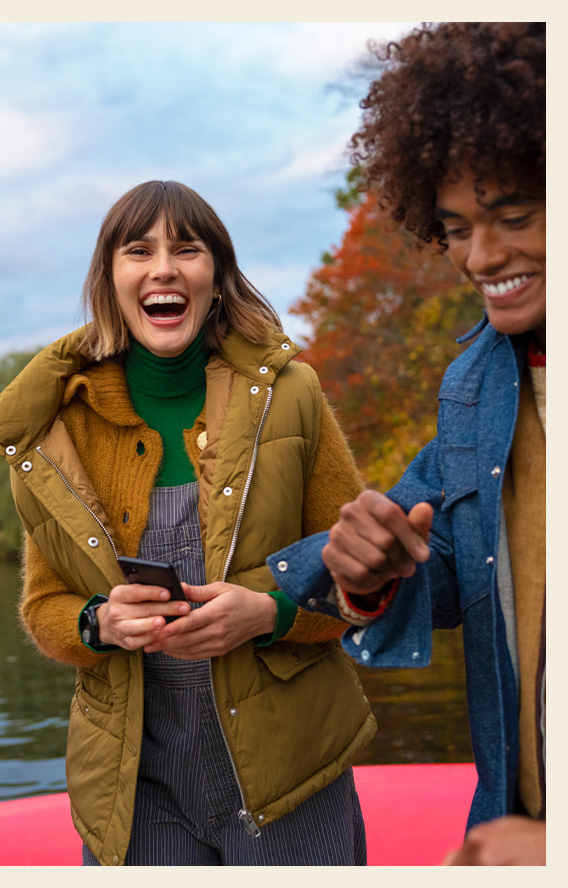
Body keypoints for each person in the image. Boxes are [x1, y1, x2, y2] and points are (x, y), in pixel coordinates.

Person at [0, 181, 376, 866]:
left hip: (290, 776)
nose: (163, 268)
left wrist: (269, 613)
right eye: (139, 251)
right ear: (110, 281)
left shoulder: (292, 396)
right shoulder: (53, 432)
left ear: (215, 278)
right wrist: (97, 623)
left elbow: (364, 581)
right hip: (135, 789)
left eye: (186, 249)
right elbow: (44, 607)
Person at [267, 22, 545, 866]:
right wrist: (367, 571)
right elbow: (466, 570)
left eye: (514, 215)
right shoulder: (474, 384)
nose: (481, 256)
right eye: (456, 227)